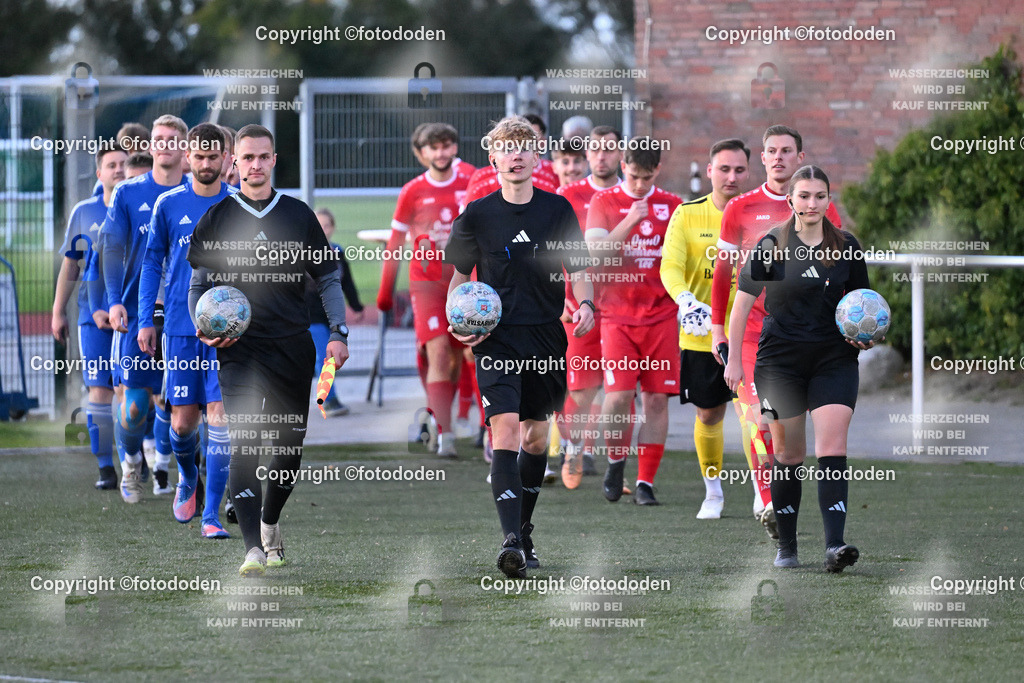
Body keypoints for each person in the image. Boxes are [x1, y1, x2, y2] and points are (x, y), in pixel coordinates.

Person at [186, 124, 350, 577]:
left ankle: (270, 521)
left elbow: (329, 278)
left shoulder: (297, 216)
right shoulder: (218, 217)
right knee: (245, 442)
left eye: (263, 157)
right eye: (246, 158)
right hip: (238, 349)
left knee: (286, 450)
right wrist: (203, 326)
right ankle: (253, 550)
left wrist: (338, 332)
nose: (255, 165)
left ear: (274, 160)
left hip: (292, 345)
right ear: (233, 163)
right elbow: (198, 284)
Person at [445, 115, 594, 578]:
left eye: (523, 147)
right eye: (506, 148)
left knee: (535, 436)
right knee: (505, 430)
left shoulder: (558, 210)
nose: (515, 155)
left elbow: (580, 269)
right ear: (493, 158)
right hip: (496, 338)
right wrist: (458, 324)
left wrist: (586, 304)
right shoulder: (476, 216)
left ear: (536, 157)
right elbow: (456, 282)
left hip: (547, 336)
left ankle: (525, 530)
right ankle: (509, 540)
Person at [725, 165, 870, 573]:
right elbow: (741, 306)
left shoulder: (846, 246)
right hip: (778, 363)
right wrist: (735, 359)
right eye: (803, 196)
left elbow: (862, 303)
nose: (811, 204)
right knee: (789, 453)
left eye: (819, 196)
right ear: (790, 200)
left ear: (828, 200)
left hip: (833, 360)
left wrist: (864, 336)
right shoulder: (772, 245)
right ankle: (787, 547)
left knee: (832, 448)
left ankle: (834, 547)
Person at [710, 125, 842, 537]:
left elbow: (840, 270)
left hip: (803, 336)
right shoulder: (740, 208)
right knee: (757, 417)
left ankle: (772, 492)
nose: (780, 157)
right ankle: (768, 499)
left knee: (785, 426)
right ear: (762, 159)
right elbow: (723, 272)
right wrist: (718, 328)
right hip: (752, 333)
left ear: (800, 157)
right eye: (772, 151)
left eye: (787, 150)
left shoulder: (818, 205)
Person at [139, 123, 236, 538]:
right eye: (200, 156)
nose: (207, 163)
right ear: (187, 157)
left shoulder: (239, 204)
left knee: (220, 418)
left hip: (230, 330)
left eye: (215, 156)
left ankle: (211, 514)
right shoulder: (167, 203)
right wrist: (147, 319)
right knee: (182, 425)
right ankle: (187, 477)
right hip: (180, 328)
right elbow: (151, 265)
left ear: (226, 158)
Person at [586, 141, 682, 506]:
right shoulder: (604, 202)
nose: (639, 184)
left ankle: (645, 482)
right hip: (616, 316)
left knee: (657, 400)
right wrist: (631, 220)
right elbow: (595, 256)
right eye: (633, 175)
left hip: (661, 315)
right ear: (623, 165)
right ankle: (615, 462)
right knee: (619, 397)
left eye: (647, 177)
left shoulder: (673, 206)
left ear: (657, 170)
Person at [660, 138, 751, 519]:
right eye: (724, 169)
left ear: (749, 172)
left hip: (753, 332)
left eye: (739, 170)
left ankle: (764, 493)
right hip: (701, 334)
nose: (731, 176)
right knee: (709, 415)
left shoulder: (759, 213)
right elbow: (670, 268)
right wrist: (685, 300)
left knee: (756, 414)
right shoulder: (687, 214)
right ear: (709, 171)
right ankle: (713, 492)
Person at [101, 115, 189, 504]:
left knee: (180, 406)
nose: (165, 144)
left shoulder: (199, 191)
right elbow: (112, 249)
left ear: (184, 148)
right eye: (159, 139)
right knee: (135, 407)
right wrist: (115, 299)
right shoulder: (127, 193)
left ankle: (183, 475)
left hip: (184, 316)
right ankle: (132, 462)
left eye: (173, 139)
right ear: (149, 146)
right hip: (139, 314)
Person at [376, 123, 474, 457]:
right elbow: (395, 242)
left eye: (447, 145)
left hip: (465, 281)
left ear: (455, 147)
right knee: (438, 353)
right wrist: (385, 291)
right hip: (427, 285)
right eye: (434, 147)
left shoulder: (472, 180)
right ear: (421, 153)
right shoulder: (413, 190)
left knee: (460, 355)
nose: (441, 153)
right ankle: (445, 436)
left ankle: (450, 417)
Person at [52, 146, 127, 489]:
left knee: (131, 390)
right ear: (99, 173)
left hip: (133, 316)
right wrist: (57, 312)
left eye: (124, 163)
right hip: (91, 318)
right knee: (99, 390)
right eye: (111, 165)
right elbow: (71, 265)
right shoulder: (85, 212)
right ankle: (105, 468)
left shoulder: (143, 209)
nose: (119, 170)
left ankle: (136, 459)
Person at [554, 125, 623, 485]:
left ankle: (617, 464)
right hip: (577, 303)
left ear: (621, 153)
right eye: (594, 149)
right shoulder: (566, 195)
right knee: (581, 387)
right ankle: (573, 449)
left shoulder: (632, 195)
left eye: (609, 149)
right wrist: (562, 299)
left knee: (619, 390)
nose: (601, 156)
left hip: (625, 310)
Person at [308, 207, 364, 417]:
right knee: (325, 358)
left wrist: (356, 306)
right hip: (309, 315)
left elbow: (347, 282)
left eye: (327, 225)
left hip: (330, 316)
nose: (322, 229)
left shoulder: (337, 252)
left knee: (326, 358)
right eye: (318, 225)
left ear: (333, 228)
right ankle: (328, 400)